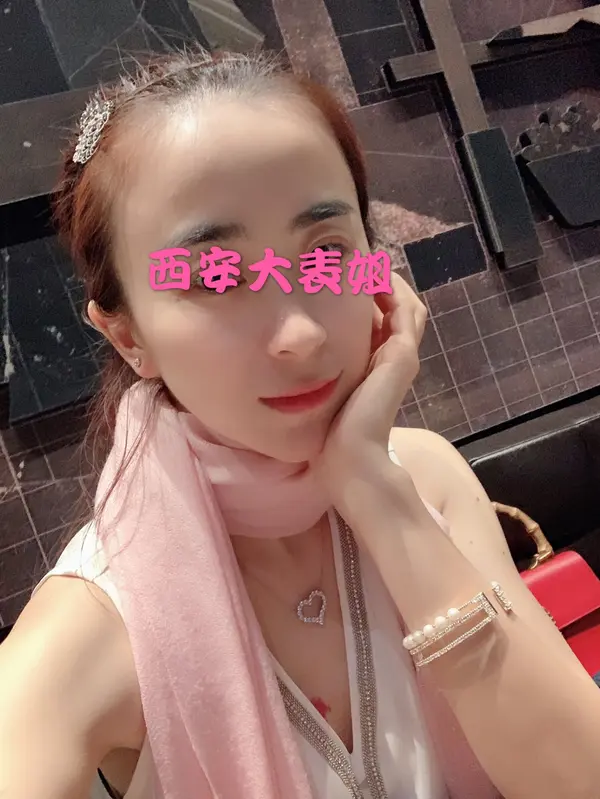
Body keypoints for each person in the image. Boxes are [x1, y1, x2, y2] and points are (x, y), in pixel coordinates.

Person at [0, 48, 598, 799]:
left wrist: (375, 489)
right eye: (215, 277)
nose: (302, 336)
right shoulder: (94, 623)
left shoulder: (422, 477)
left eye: (326, 254)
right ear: (128, 336)